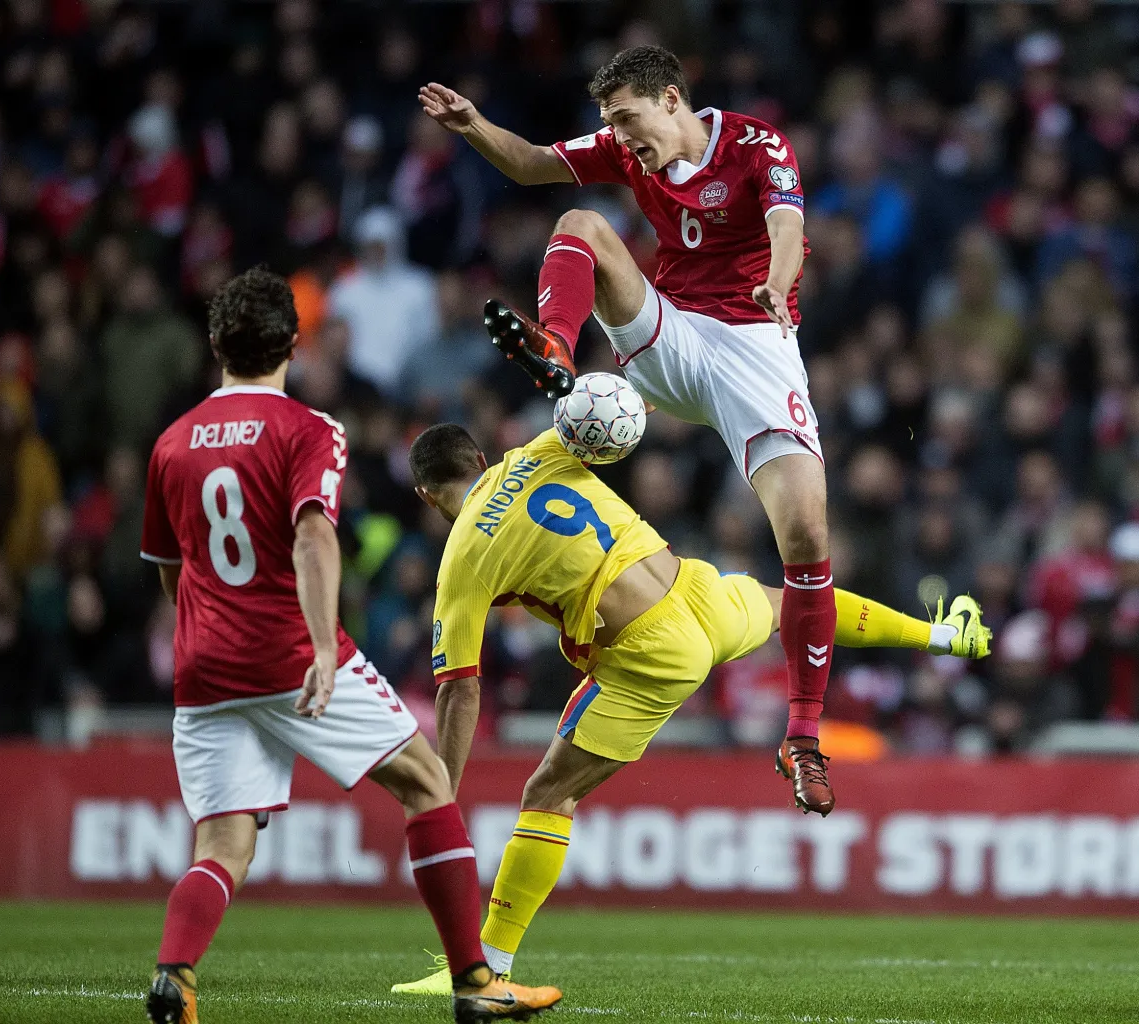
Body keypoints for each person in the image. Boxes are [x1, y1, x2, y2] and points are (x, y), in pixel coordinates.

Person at [392, 421, 990, 994]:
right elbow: (620, 408)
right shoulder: (538, 451)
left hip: (649, 649)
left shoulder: (463, 556)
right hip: (697, 592)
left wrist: (439, 793)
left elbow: (459, 687)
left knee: (549, 795)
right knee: (800, 602)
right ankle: (939, 634)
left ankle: (484, 967)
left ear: (424, 494)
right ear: (480, 459)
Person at [419, 46, 843, 811]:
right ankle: (555, 346)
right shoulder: (623, 151)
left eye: (625, 117)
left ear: (671, 99)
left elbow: (786, 225)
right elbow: (529, 164)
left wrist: (778, 285)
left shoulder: (756, 145)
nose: (616, 132)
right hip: (665, 337)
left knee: (808, 539)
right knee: (581, 219)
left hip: (753, 341)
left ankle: (803, 737)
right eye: (609, 120)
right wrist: (475, 125)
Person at [139, 269, 561, 1024]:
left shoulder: (171, 443)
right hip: (289, 651)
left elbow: (173, 574)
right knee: (429, 785)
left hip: (202, 668)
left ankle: (177, 976)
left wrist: (215, 630)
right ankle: (476, 982)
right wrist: (323, 649)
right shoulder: (310, 430)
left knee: (224, 846)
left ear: (214, 345)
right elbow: (312, 536)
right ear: (293, 346)